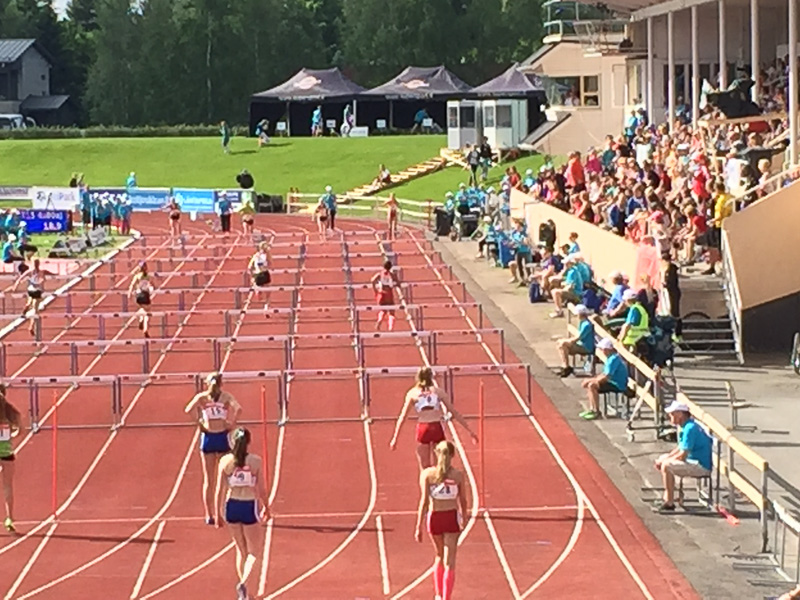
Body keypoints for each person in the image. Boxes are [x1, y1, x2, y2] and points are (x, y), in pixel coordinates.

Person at [215, 427, 270, 600]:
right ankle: (244, 583)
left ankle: (246, 595)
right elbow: (261, 489)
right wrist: (267, 508)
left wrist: (217, 513)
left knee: (241, 550)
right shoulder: (255, 461)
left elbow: (219, 490)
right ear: (248, 443)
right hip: (248, 506)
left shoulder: (225, 462)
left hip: (231, 506)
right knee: (254, 551)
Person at [389, 367, 477, 470]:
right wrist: (470, 431)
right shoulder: (438, 392)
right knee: (439, 466)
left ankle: (426, 485)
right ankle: (439, 484)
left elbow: (402, 417)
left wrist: (395, 438)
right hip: (436, 427)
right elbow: (453, 412)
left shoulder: (412, 393)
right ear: (431, 377)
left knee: (424, 467)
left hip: (423, 428)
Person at [185, 372, 241, 525]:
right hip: (222, 436)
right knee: (226, 479)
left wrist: (200, 424)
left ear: (207, 384)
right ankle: (223, 511)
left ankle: (209, 514)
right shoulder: (226, 397)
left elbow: (188, 410)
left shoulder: (202, 398)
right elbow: (239, 408)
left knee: (209, 480)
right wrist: (232, 424)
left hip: (208, 438)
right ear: (221, 384)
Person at [415, 440, 468, 600]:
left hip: (434, 518)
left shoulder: (427, 474)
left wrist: (418, 526)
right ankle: (446, 597)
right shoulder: (458, 475)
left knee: (438, 555)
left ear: (436, 454)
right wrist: (464, 518)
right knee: (449, 561)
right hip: (450, 518)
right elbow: (463, 500)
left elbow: (423, 501)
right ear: (452, 455)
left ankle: (438, 594)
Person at [654, 401, 713, 512]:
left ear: (680, 414)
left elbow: (682, 455)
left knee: (666, 466)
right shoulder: (688, 426)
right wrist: (665, 458)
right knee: (663, 459)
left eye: (672, 414)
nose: (669, 417)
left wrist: (666, 461)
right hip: (694, 461)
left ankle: (669, 501)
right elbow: (679, 448)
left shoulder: (689, 429)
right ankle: (668, 494)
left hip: (700, 466)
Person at [580, 338, 628, 420]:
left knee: (592, 386)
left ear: (607, 350)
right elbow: (604, 374)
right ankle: (592, 408)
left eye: (603, 349)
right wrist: (592, 379)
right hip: (612, 381)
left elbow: (607, 376)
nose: (602, 351)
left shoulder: (613, 359)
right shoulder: (610, 358)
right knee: (590, 384)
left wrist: (593, 381)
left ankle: (596, 411)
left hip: (617, 384)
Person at [0, 384, 20, 533]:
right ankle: (9, 518)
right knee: (7, 487)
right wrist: (11, 435)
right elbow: (21, 431)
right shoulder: (12, 412)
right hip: (7, 453)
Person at [13, 259, 53, 335]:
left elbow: (20, 278)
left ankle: (25, 310)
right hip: (37, 291)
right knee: (36, 310)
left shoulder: (31, 272)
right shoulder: (41, 271)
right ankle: (31, 326)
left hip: (31, 290)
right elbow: (49, 275)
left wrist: (16, 286)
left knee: (30, 302)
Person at [556, 304, 596, 377]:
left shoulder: (586, 324)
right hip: (580, 344)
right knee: (560, 344)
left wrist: (568, 341)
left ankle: (566, 367)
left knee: (563, 344)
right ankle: (565, 366)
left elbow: (578, 337)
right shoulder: (582, 322)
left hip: (586, 347)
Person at [370, 260, 400, 331]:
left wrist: (375, 290)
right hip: (389, 293)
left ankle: (380, 320)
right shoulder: (392, 275)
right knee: (391, 311)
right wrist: (397, 284)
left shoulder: (380, 274)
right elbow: (398, 282)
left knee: (383, 310)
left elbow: (372, 280)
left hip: (381, 293)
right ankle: (390, 327)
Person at [128, 262, 155, 338]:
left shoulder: (137, 276)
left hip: (138, 296)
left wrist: (129, 293)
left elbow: (132, 285)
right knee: (147, 313)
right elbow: (152, 285)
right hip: (145, 295)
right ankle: (145, 328)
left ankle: (140, 318)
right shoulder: (148, 276)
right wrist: (151, 289)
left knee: (143, 309)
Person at [248, 241, 272, 310]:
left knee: (256, 283)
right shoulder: (267, 255)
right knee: (268, 293)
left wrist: (252, 276)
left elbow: (249, 267)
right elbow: (270, 264)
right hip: (265, 274)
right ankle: (266, 306)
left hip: (257, 275)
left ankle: (257, 290)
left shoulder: (255, 255)